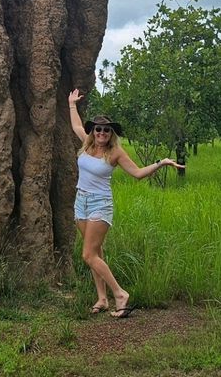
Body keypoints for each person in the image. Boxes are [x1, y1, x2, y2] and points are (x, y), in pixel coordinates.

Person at [68, 88, 184, 318]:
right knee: (96, 252)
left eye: (106, 130)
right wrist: (72, 104)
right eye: (98, 129)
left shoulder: (115, 153)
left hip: (100, 204)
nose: (102, 133)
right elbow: (76, 127)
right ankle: (102, 299)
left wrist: (161, 162)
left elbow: (138, 173)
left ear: (112, 134)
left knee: (88, 255)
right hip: (81, 201)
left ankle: (120, 294)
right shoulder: (87, 144)